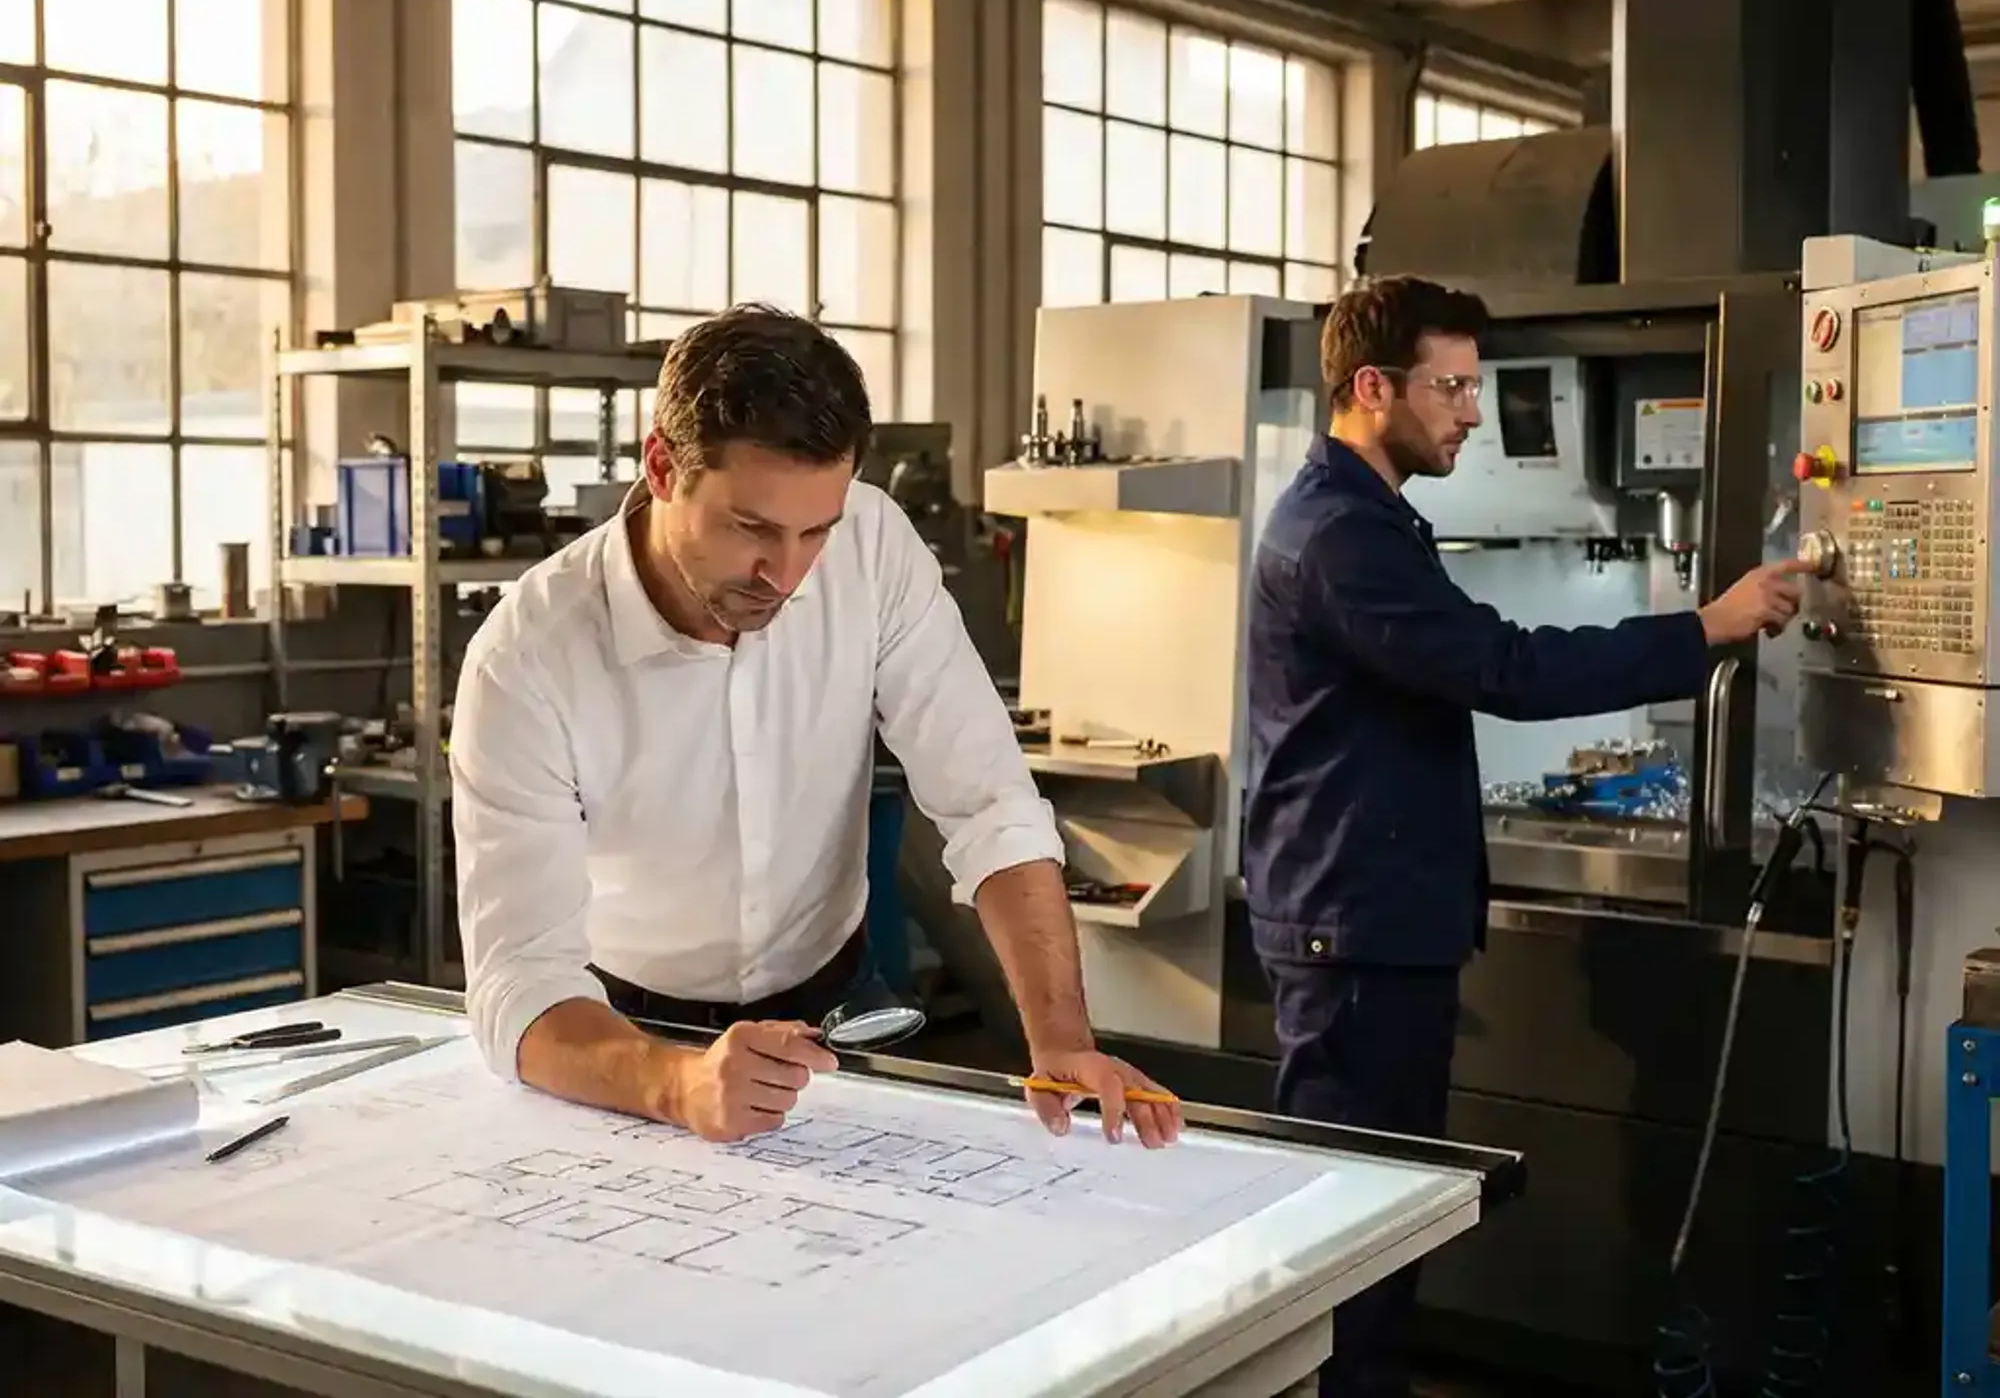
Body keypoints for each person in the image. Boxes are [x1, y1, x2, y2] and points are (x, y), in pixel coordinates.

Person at [1243, 276, 1806, 1398]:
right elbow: (1500, 667)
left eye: (1473, 386)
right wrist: (1702, 628)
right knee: (1353, 1226)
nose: (1468, 413)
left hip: (1372, 919)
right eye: (1448, 387)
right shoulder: (1339, 534)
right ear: (1370, 387)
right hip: (1350, 930)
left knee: (1379, 1216)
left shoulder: (1367, 518)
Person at [451, 304, 1181, 1151]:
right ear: (661, 465)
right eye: (751, 528)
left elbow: (991, 804)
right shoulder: (528, 655)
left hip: (834, 1006)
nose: (786, 574)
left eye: (815, 531)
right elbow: (517, 983)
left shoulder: (873, 546)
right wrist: (677, 1083)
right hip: (623, 1033)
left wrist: (1061, 1043)